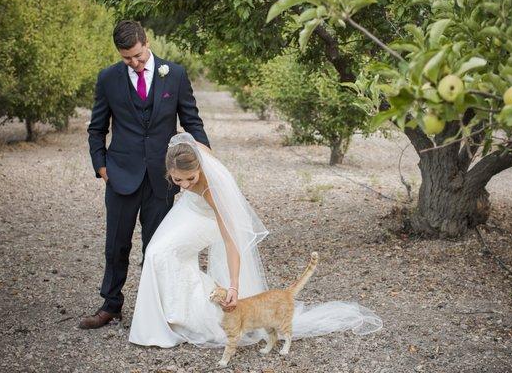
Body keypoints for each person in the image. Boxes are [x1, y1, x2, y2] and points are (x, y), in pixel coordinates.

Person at [128, 133, 382, 348]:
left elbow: (230, 241)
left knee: (161, 253)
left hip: (208, 219)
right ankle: (172, 313)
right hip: (189, 209)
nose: (184, 185)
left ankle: (200, 314)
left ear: (200, 169)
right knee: (156, 252)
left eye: (190, 179)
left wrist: (235, 285)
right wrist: (188, 188)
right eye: (177, 180)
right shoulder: (190, 150)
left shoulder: (211, 191)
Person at [80, 21, 209, 330]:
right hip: (120, 175)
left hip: (162, 177)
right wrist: (102, 168)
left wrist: (203, 160)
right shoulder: (108, 79)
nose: (134, 63)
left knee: (157, 246)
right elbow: (96, 129)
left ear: (146, 42)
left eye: (137, 56)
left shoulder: (174, 74)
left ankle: (156, 307)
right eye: (127, 59)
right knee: (116, 245)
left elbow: (192, 120)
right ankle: (111, 305)